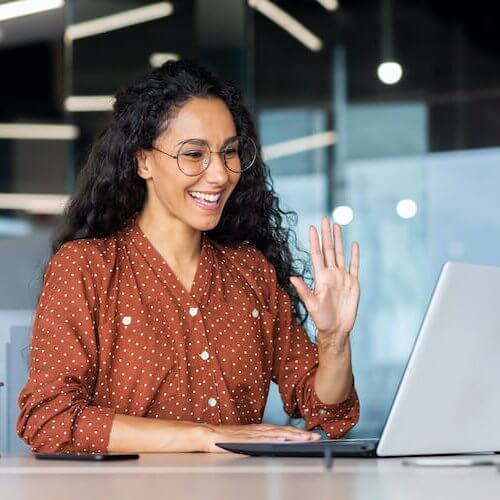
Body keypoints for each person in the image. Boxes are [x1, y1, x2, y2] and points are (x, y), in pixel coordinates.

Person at [16, 60, 360, 453]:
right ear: (143, 160)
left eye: (229, 153)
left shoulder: (252, 272)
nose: (219, 175)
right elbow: (49, 419)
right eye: (194, 154)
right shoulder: (86, 267)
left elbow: (327, 414)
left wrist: (333, 341)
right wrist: (203, 435)